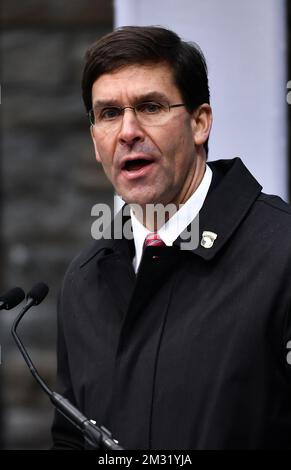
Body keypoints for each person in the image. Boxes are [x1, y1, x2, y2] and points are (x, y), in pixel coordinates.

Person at [51, 25, 291, 450]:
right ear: (95, 141)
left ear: (200, 123)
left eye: (149, 107)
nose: (128, 132)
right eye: (108, 114)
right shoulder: (84, 281)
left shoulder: (281, 251)